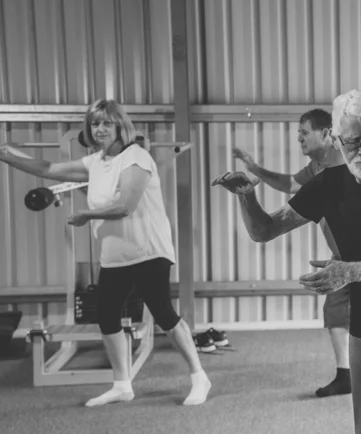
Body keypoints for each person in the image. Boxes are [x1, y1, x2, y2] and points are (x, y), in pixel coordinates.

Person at [212, 89, 361, 434]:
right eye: (355, 142)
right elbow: (264, 230)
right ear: (338, 141)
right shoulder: (326, 184)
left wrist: (348, 272)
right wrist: (247, 196)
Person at [0, 99, 211, 408]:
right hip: (115, 255)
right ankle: (122, 385)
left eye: (106, 123)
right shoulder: (95, 162)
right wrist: (4, 155)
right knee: (108, 316)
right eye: (94, 123)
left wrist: (87, 215)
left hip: (148, 250)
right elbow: (46, 169)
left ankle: (199, 377)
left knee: (164, 313)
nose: (99, 129)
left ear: (120, 127)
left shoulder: (136, 156)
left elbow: (126, 204)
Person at [232, 108, 351, 398]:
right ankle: (346, 375)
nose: (299, 137)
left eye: (304, 132)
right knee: (335, 313)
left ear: (326, 134)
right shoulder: (316, 172)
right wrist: (254, 171)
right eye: (298, 132)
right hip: (340, 259)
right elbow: (289, 186)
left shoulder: (346, 167)